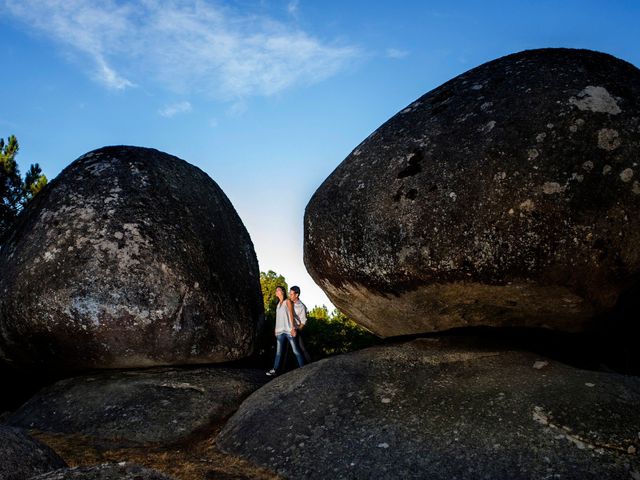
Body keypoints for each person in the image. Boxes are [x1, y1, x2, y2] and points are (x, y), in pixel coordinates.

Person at [266, 285, 305, 376]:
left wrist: (293, 328)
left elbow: (291, 314)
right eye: (276, 290)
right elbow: (278, 318)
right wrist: (276, 329)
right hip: (280, 332)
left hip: (288, 330)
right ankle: (275, 370)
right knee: (278, 352)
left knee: (296, 350)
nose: (276, 291)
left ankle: (303, 368)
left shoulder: (287, 301)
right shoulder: (278, 305)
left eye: (278, 290)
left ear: (282, 292)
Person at [289, 285, 311, 363]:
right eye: (289, 293)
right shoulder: (289, 302)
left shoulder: (301, 307)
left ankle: (309, 366)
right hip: (287, 328)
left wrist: (296, 331)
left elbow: (303, 322)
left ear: (296, 295)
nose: (289, 295)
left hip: (296, 329)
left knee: (302, 348)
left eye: (291, 294)